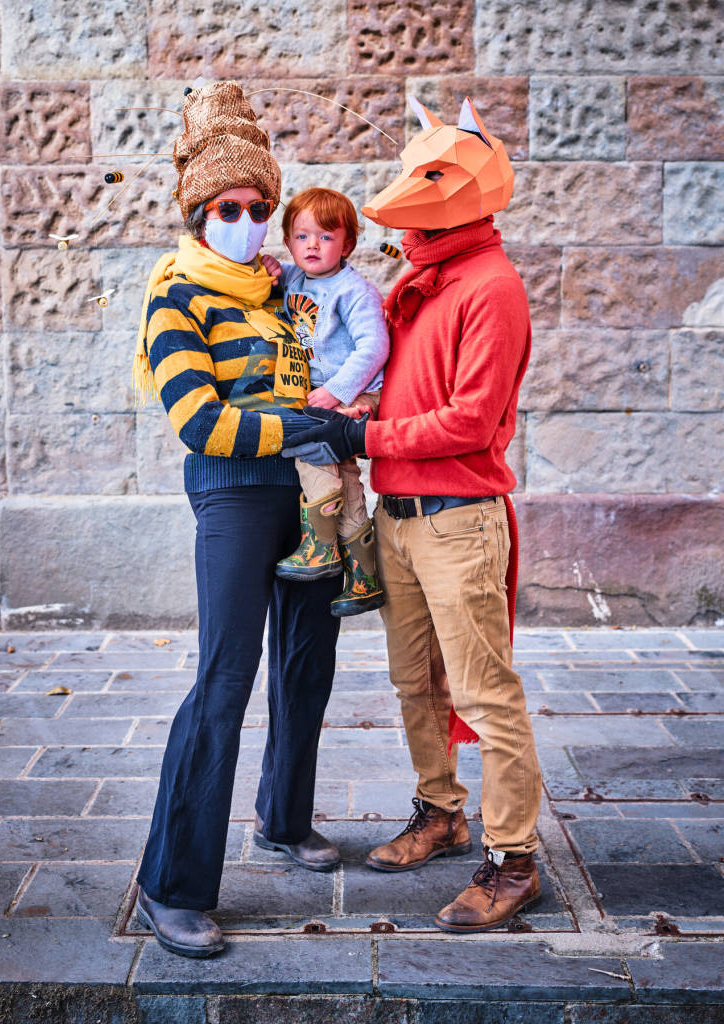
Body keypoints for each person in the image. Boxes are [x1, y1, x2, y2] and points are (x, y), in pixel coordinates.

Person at [282, 95, 543, 932]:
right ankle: (442, 812)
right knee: (414, 684)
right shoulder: (418, 282)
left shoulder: (491, 286)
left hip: (458, 516)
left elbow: (470, 418)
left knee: (483, 691)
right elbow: (391, 377)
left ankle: (513, 860)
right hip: (398, 513)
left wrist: (366, 428)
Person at [132, 81, 342, 959]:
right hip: (229, 491)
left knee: (306, 665)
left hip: (305, 494)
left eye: (261, 205)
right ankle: (171, 884)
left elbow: (322, 365)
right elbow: (201, 420)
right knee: (225, 679)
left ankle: (283, 821)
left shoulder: (277, 294)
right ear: (197, 211)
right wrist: (309, 426)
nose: (250, 220)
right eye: (231, 206)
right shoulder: (177, 298)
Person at [262, 187, 389, 617]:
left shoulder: (354, 291)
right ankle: (364, 578)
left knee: (309, 449)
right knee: (348, 478)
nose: (312, 246)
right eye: (301, 237)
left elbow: (374, 347)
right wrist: (268, 267)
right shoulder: (295, 278)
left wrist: (339, 392)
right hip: (331, 394)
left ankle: (320, 550)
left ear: (347, 244)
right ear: (288, 242)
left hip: (355, 391)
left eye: (325, 237)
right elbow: (275, 275)